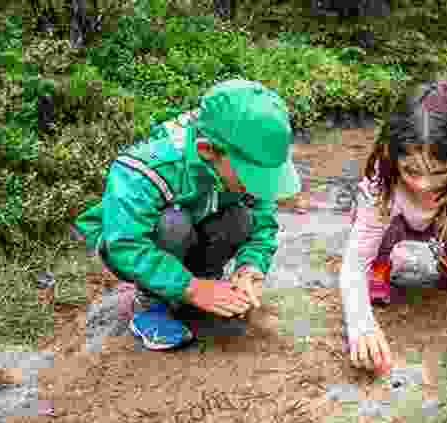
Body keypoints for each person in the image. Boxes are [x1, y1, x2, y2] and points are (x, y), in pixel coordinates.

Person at [71, 79, 301, 350]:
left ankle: (202, 281)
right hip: (132, 241)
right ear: (207, 151)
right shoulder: (147, 166)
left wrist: (250, 267)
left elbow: (262, 220)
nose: (256, 184)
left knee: (241, 218)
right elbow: (125, 243)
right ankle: (151, 301)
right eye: (250, 175)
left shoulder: (240, 150)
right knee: (173, 225)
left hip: (196, 227)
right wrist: (192, 288)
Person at [339, 80, 447, 376]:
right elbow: (353, 261)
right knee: (377, 221)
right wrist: (361, 325)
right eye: (411, 170)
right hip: (394, 224)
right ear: (393, 154)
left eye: (439, 172)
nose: (423, 185)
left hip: (441, 224)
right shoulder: (382, 181)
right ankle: (381, 265)